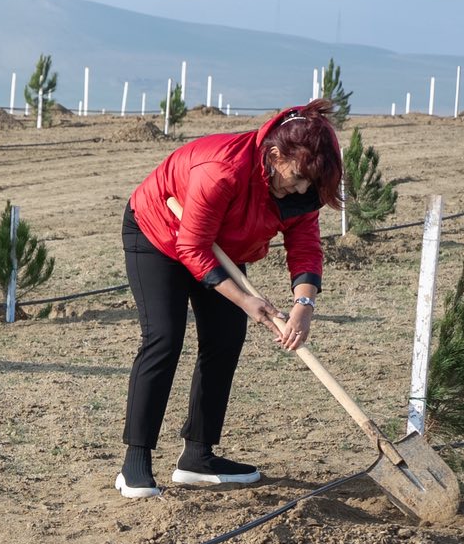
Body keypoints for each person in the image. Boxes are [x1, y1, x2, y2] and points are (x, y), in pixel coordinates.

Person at [115, 99, 342, 499]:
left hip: (221, 244)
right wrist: (244, 300)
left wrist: (303, 305)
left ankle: (197, 457)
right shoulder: (221, 169)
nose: (301, 189)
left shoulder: (302, 187)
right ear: (275, 155)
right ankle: (136, 461)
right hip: (160, 233)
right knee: (164, 338)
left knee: (225, 338)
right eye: (297, 178)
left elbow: (305, 244)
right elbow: (192, 248)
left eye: (309, 183)